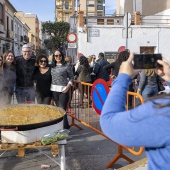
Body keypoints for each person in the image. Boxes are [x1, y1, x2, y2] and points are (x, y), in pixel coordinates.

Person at [100, 53, 170, 170]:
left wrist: (122, 77)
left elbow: (108, 120)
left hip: (143, 92)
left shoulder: (161, 112)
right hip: (153, 90)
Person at [50, 49, 74, 129]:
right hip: (54, 90)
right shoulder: (52, 65)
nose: (58, 57)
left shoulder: (67, 65)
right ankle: (65, 126)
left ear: (62, 56)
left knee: (62, 109)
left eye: (60, 55)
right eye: (56, 56)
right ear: (54, 57)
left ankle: (64, 128)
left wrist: (68, 87)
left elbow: (71, 77)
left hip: (63, 90)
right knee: (58, 110)